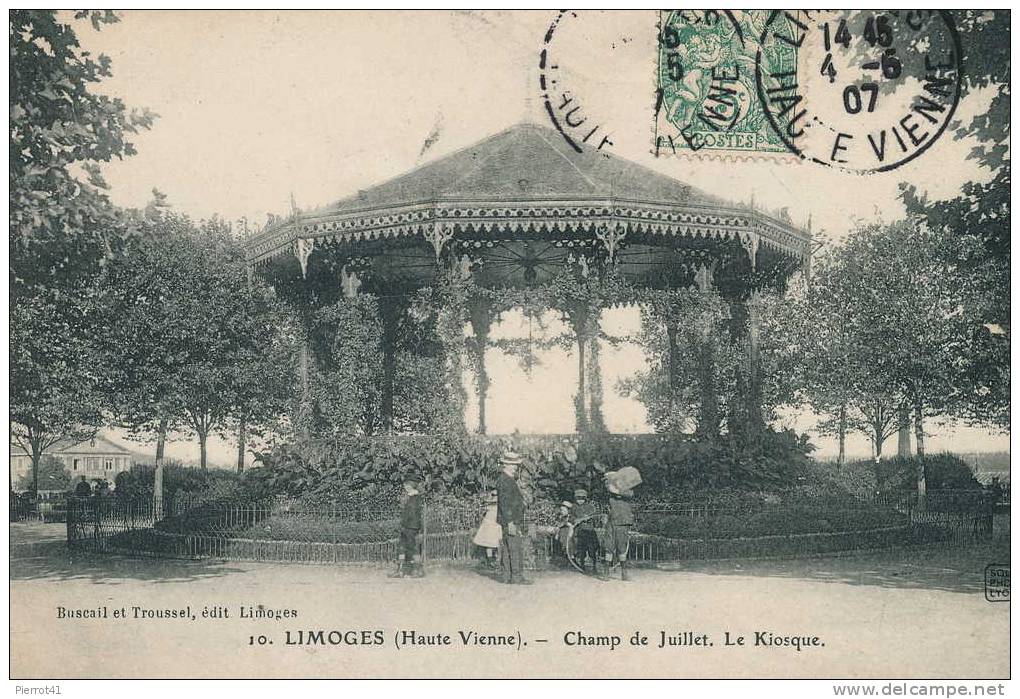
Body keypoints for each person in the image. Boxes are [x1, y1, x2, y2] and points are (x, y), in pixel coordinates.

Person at [496, 449, 532, 585]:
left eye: (516, 465)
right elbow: (505, 504)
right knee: (515, 548)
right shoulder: (506, 480)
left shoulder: (505, 479)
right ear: (506, 465)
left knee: (507, 548)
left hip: (507, 520)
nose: (516, 467)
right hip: (511, 521)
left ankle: (507, 576)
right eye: (514, 465)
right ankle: (516, 577)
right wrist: (510, 522)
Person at [600, 472, 635, 582]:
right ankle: (606, 572)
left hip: (622, 522)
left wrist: (616, 491)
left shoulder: (626, 490)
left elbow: (630, 494)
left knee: (622, 548)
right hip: (611, 522)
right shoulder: (607, 493)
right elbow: (605, 497)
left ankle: (624, 573)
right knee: (609, 546)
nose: (607, 482)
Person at [389, 476, 425, 579]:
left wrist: (406, 525)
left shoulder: (415, 498)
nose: (404, 486)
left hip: (411, 527)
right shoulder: (409, 497)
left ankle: (418, 570)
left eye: (406, 484)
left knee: (412, 548)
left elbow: (412, 514)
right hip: (406, 526)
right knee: (401, 547)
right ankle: (400, 570)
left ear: (411, 485)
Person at [571, 488, 600, 575]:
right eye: (578, 499)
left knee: (592, 549)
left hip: (590, 531)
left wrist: (588, 518)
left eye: (582, 498)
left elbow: (596, 516)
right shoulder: (574, 507)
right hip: (579, 531)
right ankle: (582, 566)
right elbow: (571, 517)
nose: (580, 501)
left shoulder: (590, 507)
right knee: (581, 549)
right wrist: (576, 520)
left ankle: (595, 566)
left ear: (585, 498)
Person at [472, 489, 501, 571]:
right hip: (490, 525)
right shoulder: (489, 506)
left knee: (495, 542)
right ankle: (490, 560)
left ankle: (495, 559)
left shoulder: (496, 506)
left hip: (496, 524)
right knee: (490, 543)